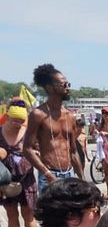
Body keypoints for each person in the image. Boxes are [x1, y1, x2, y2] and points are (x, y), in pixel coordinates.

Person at [24, 64, 84, 194]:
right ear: (50, 88)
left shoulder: (70, 116)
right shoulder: (38, 114)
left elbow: (73, 151)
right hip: (49, 175)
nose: (68, 88)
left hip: (69, 175)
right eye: (63, 85)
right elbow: (27, 149)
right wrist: (47, 174)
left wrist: (82, 179)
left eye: (68, 84)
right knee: (50, 214)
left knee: (71, 213)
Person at [0, 100, 38, 227]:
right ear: (8, 117)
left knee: (29, 216)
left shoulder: (28, 133)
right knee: (12, 215)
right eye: (14, 120)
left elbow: (39, 151)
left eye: (21, 121)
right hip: (6, 182)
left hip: (27, 181)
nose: (18, 124)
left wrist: (34, 153)